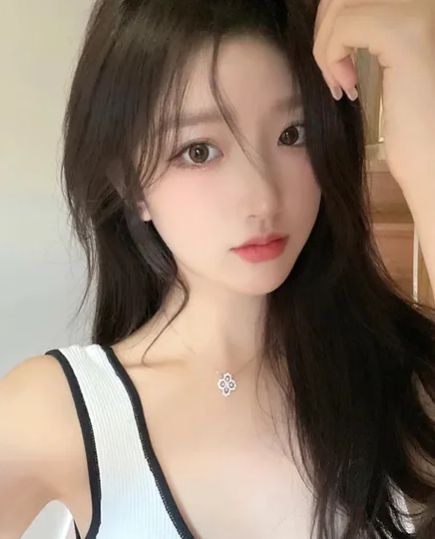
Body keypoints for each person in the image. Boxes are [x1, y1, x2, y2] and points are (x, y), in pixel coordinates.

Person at [2, 0, 435, 537]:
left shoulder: (405, 380)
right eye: (199, 151)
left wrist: (427, 161)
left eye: (293, 134)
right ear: (128, 184)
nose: (262, 198)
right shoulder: (55, 415)